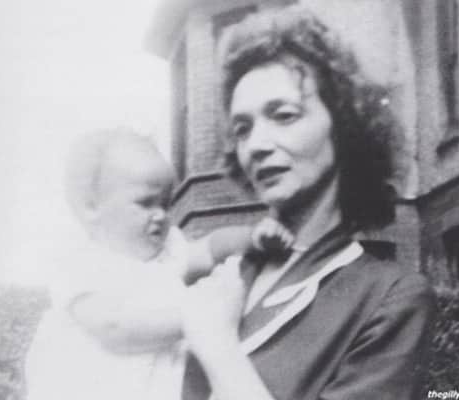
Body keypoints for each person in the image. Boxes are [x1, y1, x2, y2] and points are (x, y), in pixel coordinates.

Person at [177, 6, 436, 400]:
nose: (256, 145)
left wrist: (218, 346)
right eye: (242, 128)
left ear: (344, 125)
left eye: (283, 115)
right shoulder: (223, 275)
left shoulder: (389, 298)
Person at [25, 128, 293, 400]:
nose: (161, 215)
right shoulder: (83, 263)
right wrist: (197, 320)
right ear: (91, 207)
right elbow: (113, 328)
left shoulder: (168, 252)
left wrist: (252, 237)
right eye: (146, 203)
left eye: (166, 204)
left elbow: (210, 248)